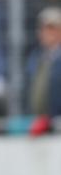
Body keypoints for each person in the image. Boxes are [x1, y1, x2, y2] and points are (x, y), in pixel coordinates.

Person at [24, 7, 61, 135]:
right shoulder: (35, 59)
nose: (46, 32)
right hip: (38, 124)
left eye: (51, 28)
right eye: (43, 28)